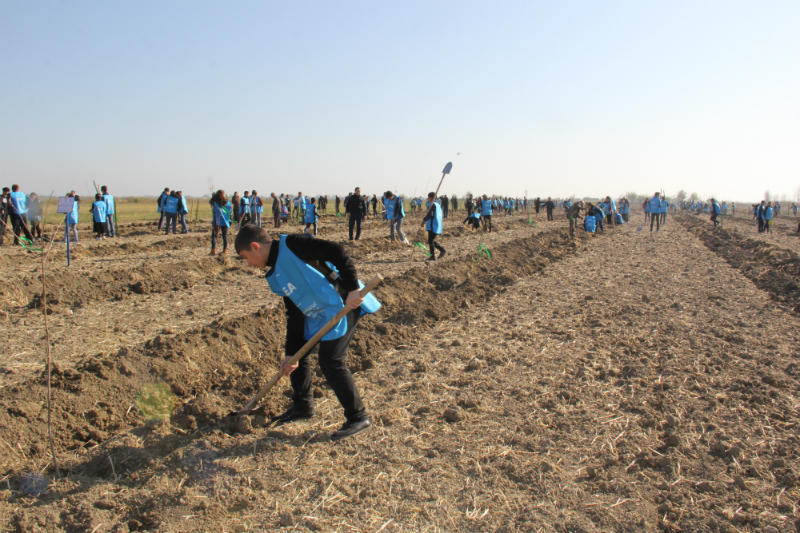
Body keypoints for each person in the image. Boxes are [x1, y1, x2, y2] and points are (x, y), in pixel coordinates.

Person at [235, 224, 379, 440]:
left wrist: (352, 289)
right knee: (297, 355)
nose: (249, 264)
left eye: (246, 257)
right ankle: (303, 406)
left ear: (255, 246)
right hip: (319, 312)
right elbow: (295, 314)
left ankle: (358, 417)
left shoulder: (294, 245)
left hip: (343, 303)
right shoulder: (276, 275)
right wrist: (291, 354)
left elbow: (337, 251)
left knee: (330, 360)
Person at [421, 192, 446, 261]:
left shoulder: (433, 205)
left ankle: (434, 255)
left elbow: (430, 215)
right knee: (431, 241)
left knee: (430, 241)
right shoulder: (437, 205)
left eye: (428, 197)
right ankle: (441, 251)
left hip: (433, 225)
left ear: (432, 198)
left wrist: (423, 221)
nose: (428, 198)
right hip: (436, 225)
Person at [210, 190, 231, 255]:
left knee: (214, 236)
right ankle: (224, 251)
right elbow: (229, 213)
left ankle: (213, 250)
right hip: (225, 221)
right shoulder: (227, 203)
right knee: (224, 236)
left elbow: (212, 206)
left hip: (217, 221)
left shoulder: (215, 203)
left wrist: (213, 197)